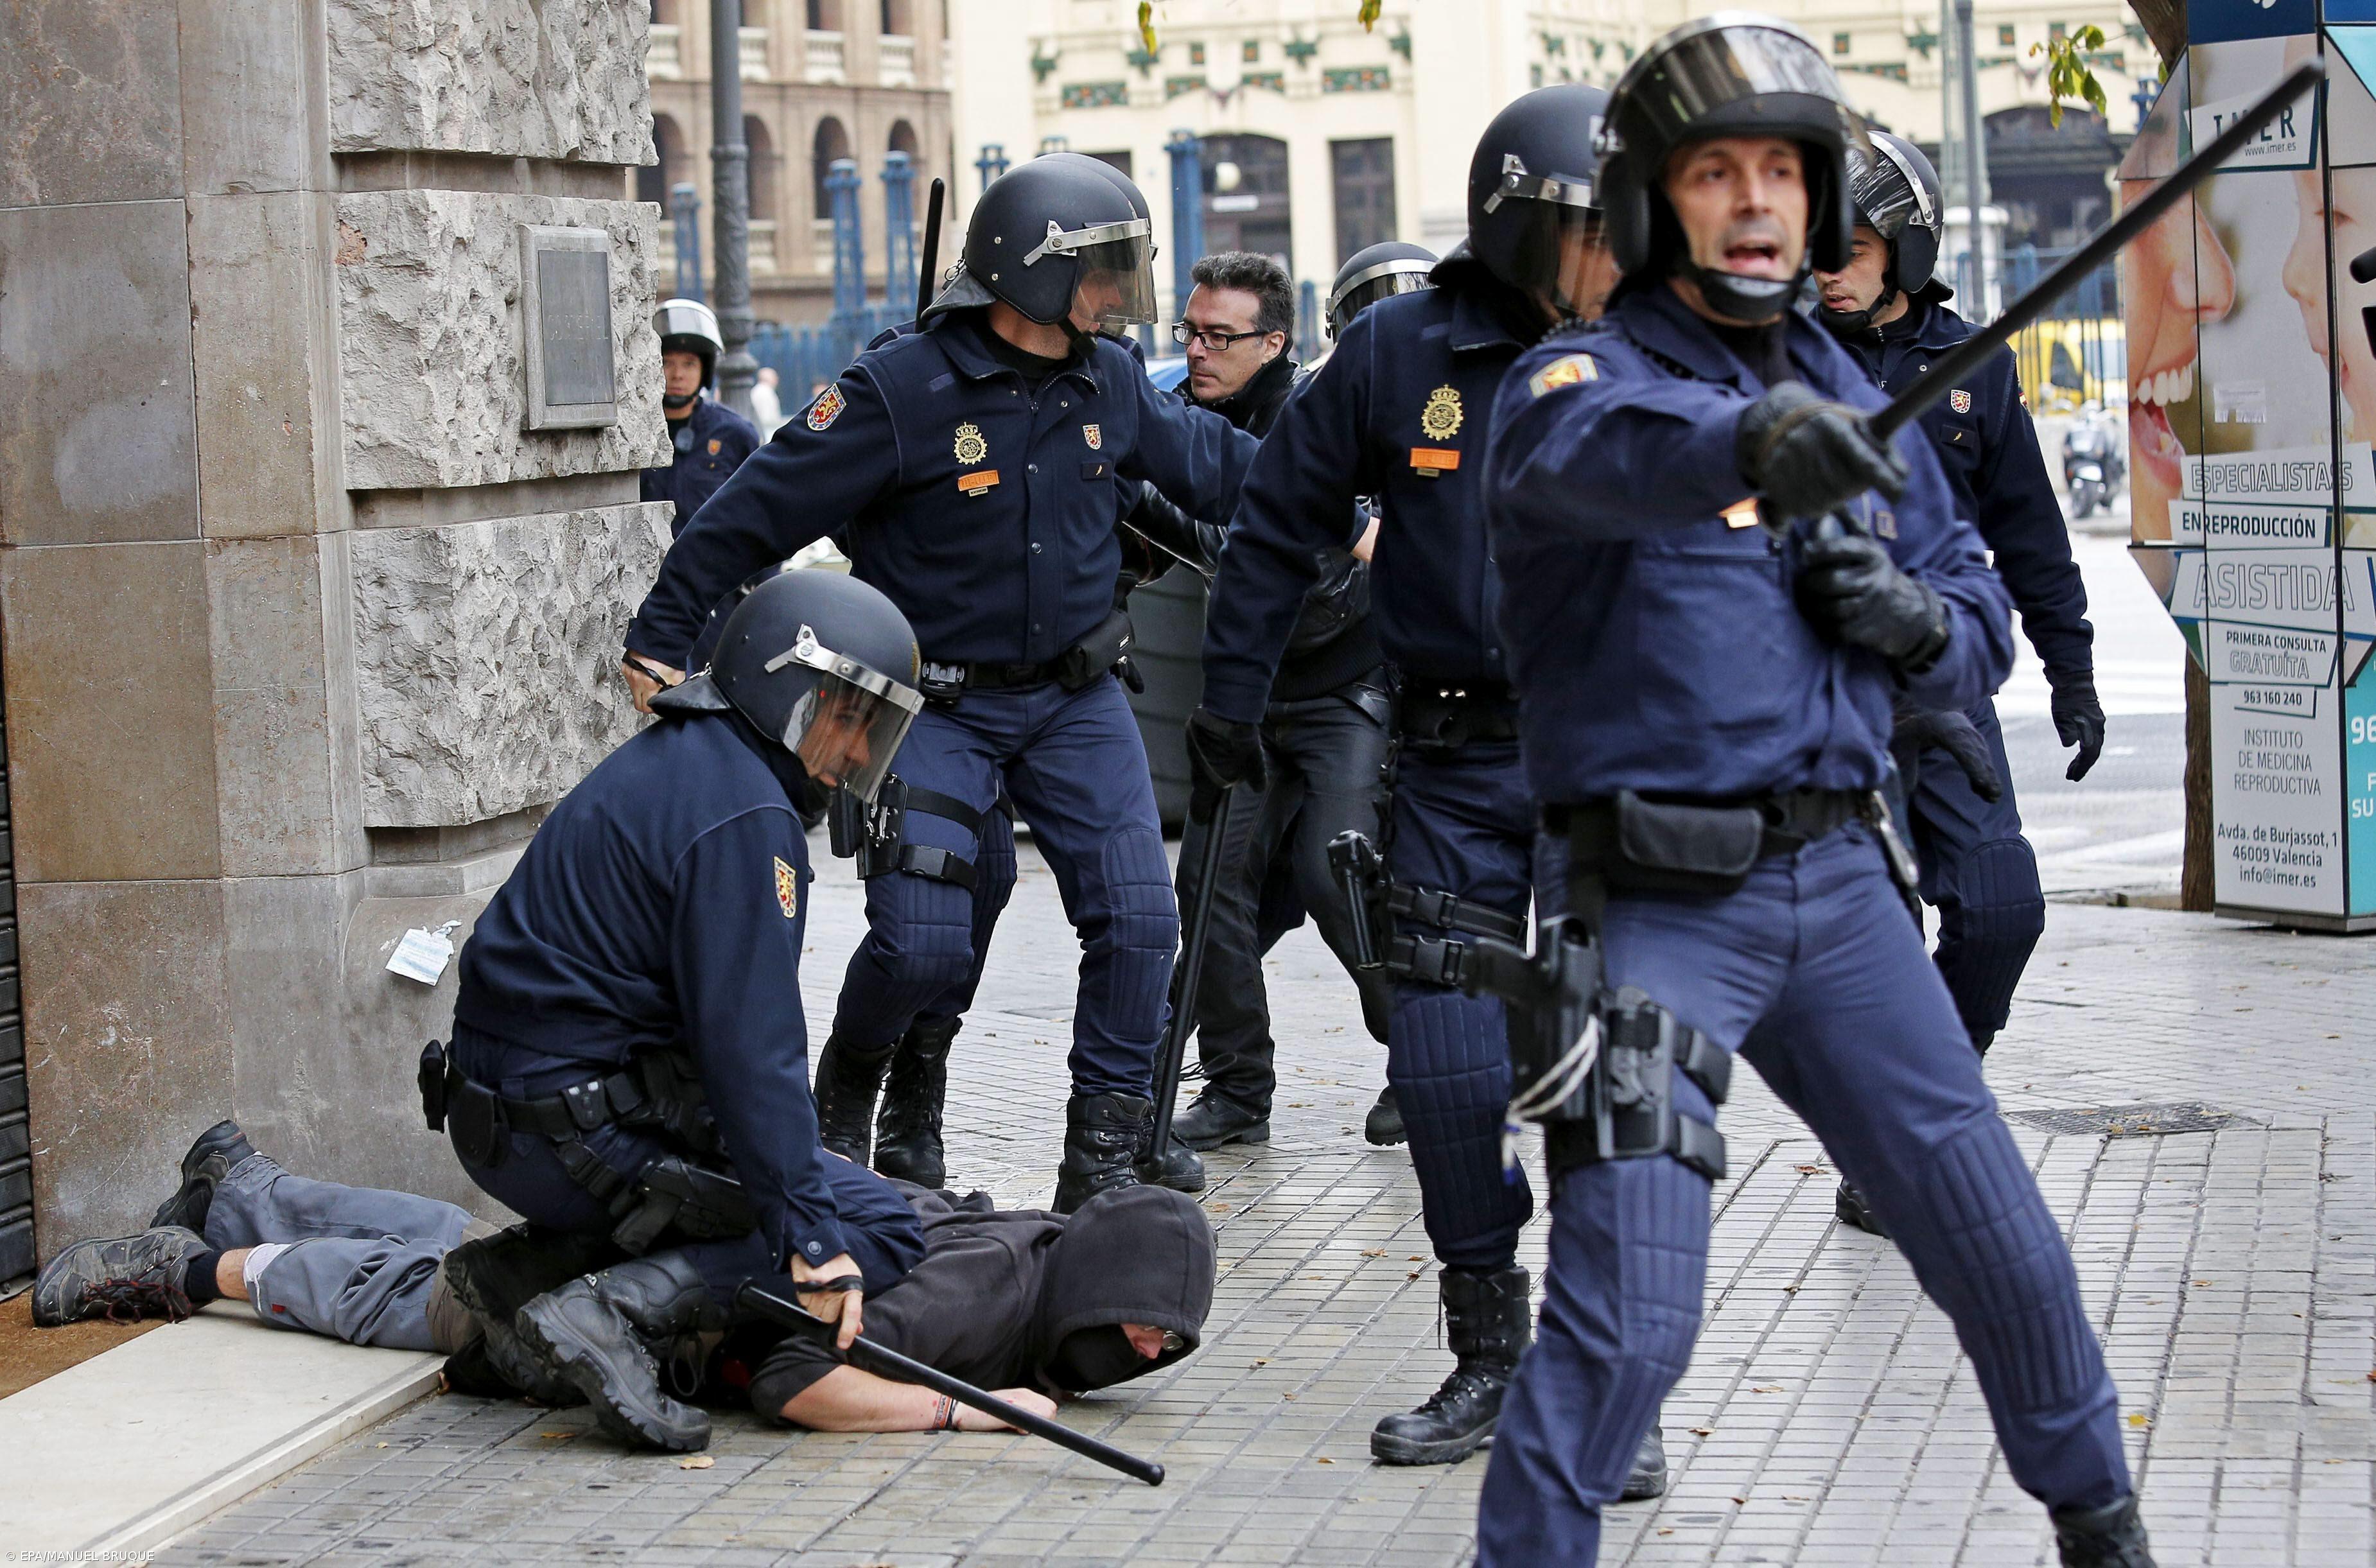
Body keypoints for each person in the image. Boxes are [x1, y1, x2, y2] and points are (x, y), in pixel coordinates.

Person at [1476, 18, 2151, 1564]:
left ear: (1823, 195)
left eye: (1780, 167)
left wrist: (1920, 628)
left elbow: (1966, 600)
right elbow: (1597, 454)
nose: (1756, 199)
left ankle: (2106, 1531)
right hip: (1654, 907)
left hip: (1847, 897)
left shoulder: (1867, 398)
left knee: (2009, 1257)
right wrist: (1755, 438)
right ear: (1657, 203)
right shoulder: (1578, 380)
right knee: (1625, 1323)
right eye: (1716, 171)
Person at [617, 157, 1259, 1215]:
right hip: (921, 702)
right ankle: (861, 1097)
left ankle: (1098, 1168)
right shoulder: (899, 389)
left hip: (1077, 701)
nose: (1118, 292)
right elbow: (753, 507)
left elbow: (1223, 464)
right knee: (922, 943)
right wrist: (661, 634)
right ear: (1034, 274)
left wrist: (1356, 504)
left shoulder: (1106, 380)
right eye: (1100, 270)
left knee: (1143, 922)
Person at [1186, 82, 1664, 1492]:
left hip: (1610, 768)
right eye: (1592, 231)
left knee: (1598, 1076)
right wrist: (1225, 712)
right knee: (1447, 1067)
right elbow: (1275, 526)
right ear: (1524, 225)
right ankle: (1488, 1352)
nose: (1615, 257)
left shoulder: (1659, 345)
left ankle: (1591, 1380)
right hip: (1451, 761)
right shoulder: (1401, 352)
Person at [431, 568, 934, 1453]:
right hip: (573, 1132)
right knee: (879, 1224)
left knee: (792, 1182)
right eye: (849, 716)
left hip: (516, 1116)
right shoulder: (744, 813)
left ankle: (528, 1278)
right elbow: (755, 1052)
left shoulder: (689, 759)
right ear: (787, 684)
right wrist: (812, 1236)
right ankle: (603, 1309)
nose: (859, 752)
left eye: (873, 727)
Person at [1810, 132, 2104, 1233]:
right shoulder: (1759, 356)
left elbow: (2030, 530)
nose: (1824, 266)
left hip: (1938, 686)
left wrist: (2071, 670)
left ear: (1907, 246)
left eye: (1849, 244)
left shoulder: (1973, 360)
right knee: (1869, 937)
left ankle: (1930, 1098)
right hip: (1811, 696)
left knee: (2000, 909)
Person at [1120, 250, 1400, 1163]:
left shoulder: (1317, 416)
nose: (1197, 351)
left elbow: (1320, 570)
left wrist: (1169, 512)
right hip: (1247, 697)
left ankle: (1436, 1056)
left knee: (1337, 875)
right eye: (1188, 332)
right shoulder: (1183, 422)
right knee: (1208, 890)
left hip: (1337, 689)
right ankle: (1238, 1087)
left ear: (1274, 341)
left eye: (1220, 337)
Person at [736, 1181, 1216, 1433]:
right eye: (1150, 1323)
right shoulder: (980, 1288)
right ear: (1107, 1283)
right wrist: (958, 1409)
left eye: (1171, 1340)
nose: (1152, 1353)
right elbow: (791, 1378)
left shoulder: (1060, 1283)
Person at [642, 298, 762, 537]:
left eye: (689, 365)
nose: (677, 375)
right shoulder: (633, 435)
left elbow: (760, 513)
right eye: (667, 363)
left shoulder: (734, 434)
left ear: (704, 371)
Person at [750, 364, 787, 436]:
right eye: (775, 377)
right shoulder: (766, 392)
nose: (777, 380)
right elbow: (768, 419)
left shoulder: (756, 390)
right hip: (767, 432)